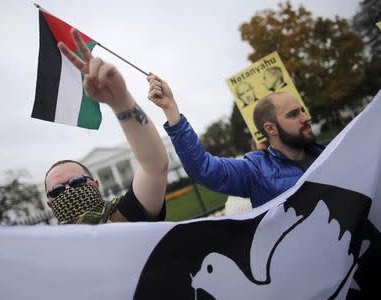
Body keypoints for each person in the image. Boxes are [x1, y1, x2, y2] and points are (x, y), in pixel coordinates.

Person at [44, 29, 168, 224]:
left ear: (95, 185)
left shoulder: (123, 217)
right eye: (57, 190)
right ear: (50, 203)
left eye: (77, 182)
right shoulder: (47, 250)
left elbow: (155, 167)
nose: (69, 191)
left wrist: (120, 101)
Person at [147, 74, 324, 208]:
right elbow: (203, 168)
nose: (306, 117)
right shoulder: (256, 171)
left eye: (302, 110)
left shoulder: (328, 152)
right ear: (270, 129)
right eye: (293, 114)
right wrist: (171, 108)